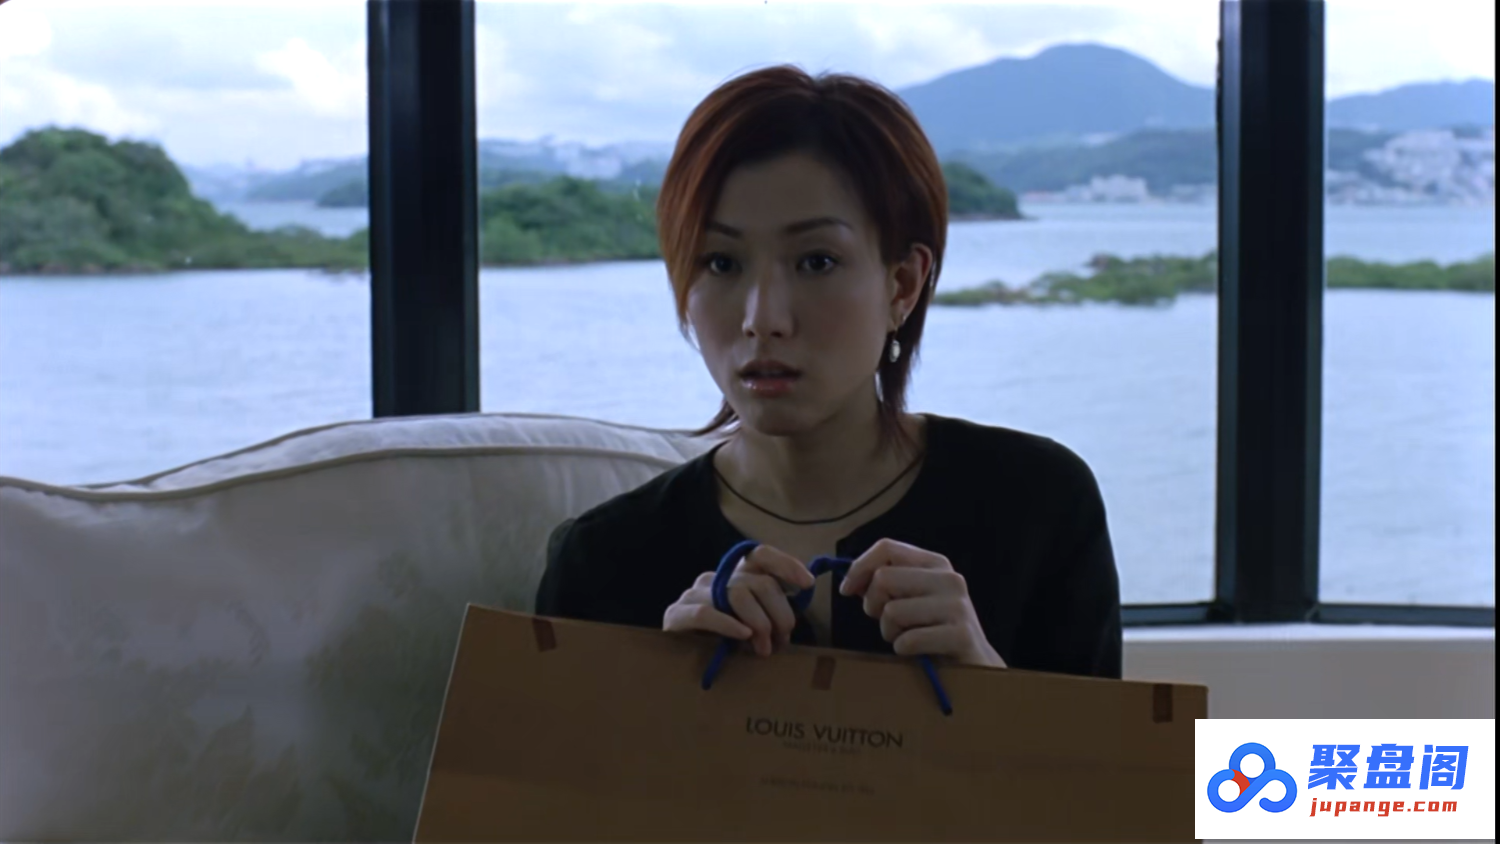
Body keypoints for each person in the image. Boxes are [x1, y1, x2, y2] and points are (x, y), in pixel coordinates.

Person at [535, 64, 1121, 679]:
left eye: (816, 261)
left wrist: (987, 686)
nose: (763, 319)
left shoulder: (1037, 507)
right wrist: (660, 696)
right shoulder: (602, 561)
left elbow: (1105, 747)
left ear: (903, 284)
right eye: (721, 263)